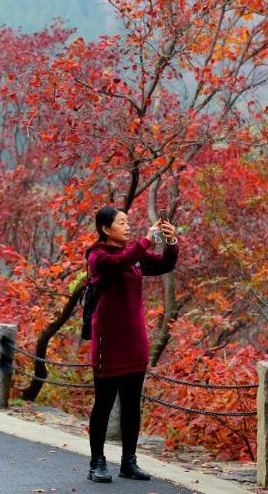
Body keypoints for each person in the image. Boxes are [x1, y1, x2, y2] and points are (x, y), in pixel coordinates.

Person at [85, 206, 179, 483]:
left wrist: (170, 241)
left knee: (131, 404)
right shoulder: (97, 255)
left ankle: (129, 461)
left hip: (135, 340)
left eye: (128, 222)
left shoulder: (135, 256)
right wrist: (147, 240)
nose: (128, 227)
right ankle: (97, 463)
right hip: (108, 342)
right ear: (105, 229)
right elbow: (119, 262)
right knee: (103, 404)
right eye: (122, 223)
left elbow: (164, 265)